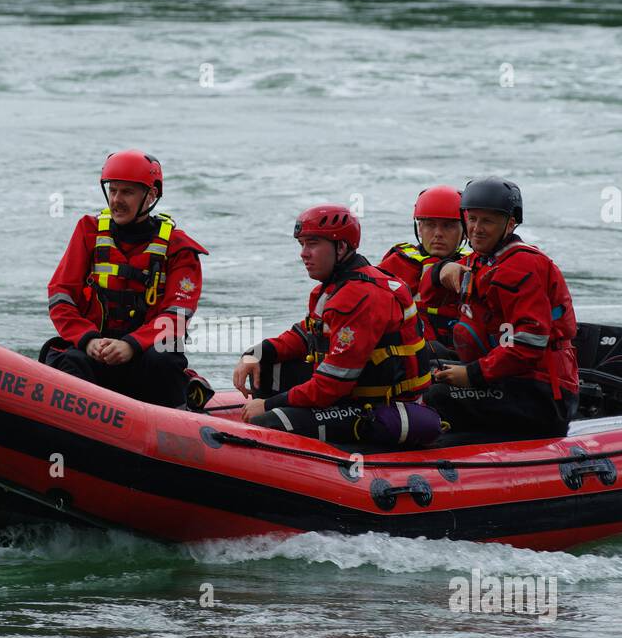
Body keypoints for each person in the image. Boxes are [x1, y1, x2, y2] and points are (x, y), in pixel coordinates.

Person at [231, 204, 441, 447]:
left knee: (269, 424)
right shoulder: (335, 288)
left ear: (341, 247)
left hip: (381, 409)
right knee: (267, 365)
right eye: (302, 245)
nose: (303, 254)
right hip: (352, 396)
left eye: (313, 244)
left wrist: (267, 405)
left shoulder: (360, 298)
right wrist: (255, 353)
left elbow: (331, 386)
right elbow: (304, 335)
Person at [40, 150, 208, 408]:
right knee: (70, 360)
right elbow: (61, 296)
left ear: (151, 196)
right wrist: (88, 340)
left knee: (165, 357)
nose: (116, 200)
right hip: (96, 348)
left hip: (144, 355)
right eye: (113, 190)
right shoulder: (89, 231)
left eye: (127, 192)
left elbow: (177, 316)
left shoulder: (179, 249)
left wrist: (132, 345)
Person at [426, 177, 579, 439]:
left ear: (510, 223)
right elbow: (428, 296)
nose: (476, 229)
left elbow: (529, 343)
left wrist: (472, 375)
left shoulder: (520, 266)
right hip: (505, 378)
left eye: (487, 221)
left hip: (539, 394)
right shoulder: (480, 261)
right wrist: (440, 270)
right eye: (472, 219)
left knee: (434, 395)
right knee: (424, 361)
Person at [378, 185, 468, 356]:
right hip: (415, 356)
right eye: (430, 225)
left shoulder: (473, 264)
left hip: (462, 357)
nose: (438, 233)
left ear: (464, 232)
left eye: (448, 226)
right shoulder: (397, 263)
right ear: (419, 228)